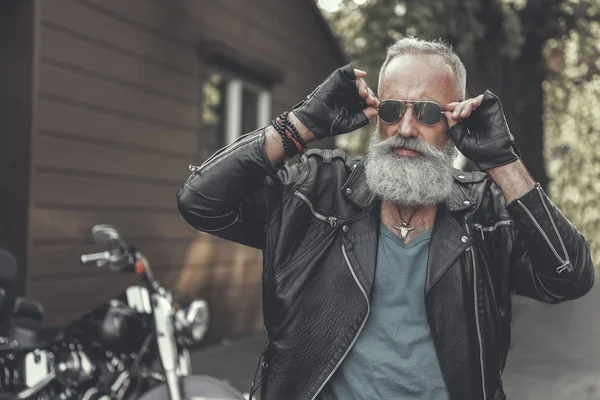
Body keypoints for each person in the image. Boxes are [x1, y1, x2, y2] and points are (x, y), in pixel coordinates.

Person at [177, 37, 594, 400]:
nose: (407, 128)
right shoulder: (314, 190)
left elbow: (568, 275)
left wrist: (503, 160)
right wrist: (299, 125)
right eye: (393, 109)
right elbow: (201, 202)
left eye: (428, 113)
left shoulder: (485, 213)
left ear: (453, 121)